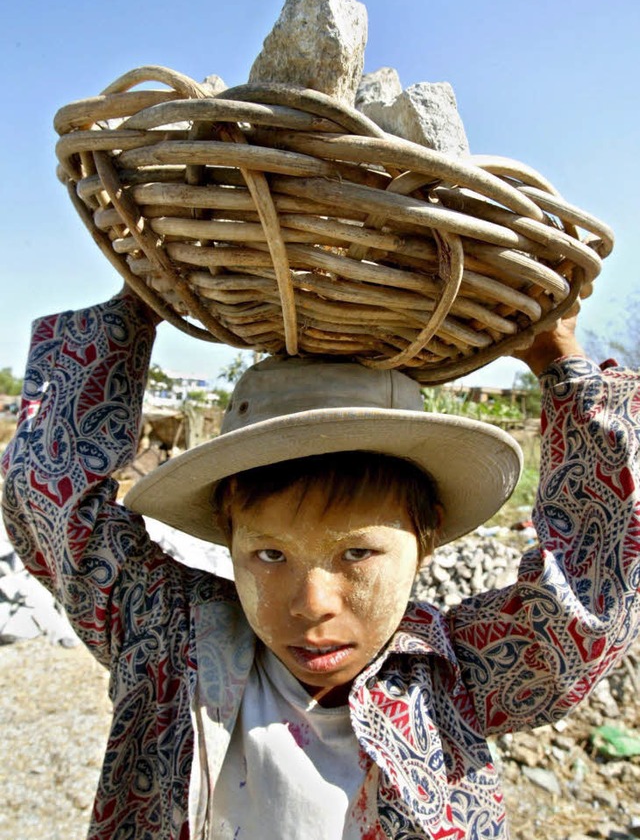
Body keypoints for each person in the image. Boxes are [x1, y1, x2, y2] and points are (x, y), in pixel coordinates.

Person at [1, 285, 639, 840]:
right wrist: (132, 311)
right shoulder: (170, 644)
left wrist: (560, 362)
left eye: (357, 552)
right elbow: (50, 503)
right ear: (229, 538)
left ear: (428, 538)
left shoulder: (453, 683)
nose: (311, 604)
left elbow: (591, 603)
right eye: (270, 553)